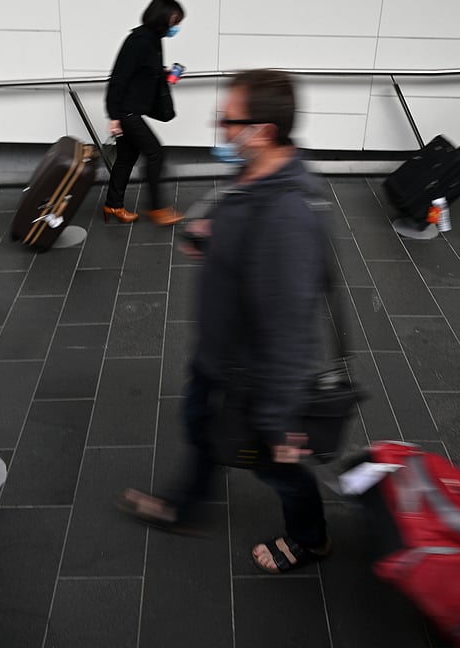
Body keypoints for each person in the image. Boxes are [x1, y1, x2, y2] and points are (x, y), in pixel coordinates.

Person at [119, 69, 331, 574]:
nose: (220, 127)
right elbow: (246, 245)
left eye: (229, 120)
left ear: (263, 132)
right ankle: (186, 506)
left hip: (251, 377)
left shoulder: (287, 216)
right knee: (198, 428)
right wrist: (211, 238)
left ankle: (310, 537)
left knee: (277, 466)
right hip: (216, 355)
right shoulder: (255, 179)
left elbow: (288, 327)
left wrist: (281, 420)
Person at [102, 0, 186, 226]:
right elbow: (118, 79)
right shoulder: (138, 40)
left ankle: (113, 205)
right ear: (163, 16)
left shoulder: (154, 39)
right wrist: (114, 116)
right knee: (156, 153)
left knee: (126, 158)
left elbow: (146, 70)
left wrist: (166, 74)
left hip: (133, 110)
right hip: (127, 112)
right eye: (174, 20)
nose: (175, 26)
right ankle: (158, 209)